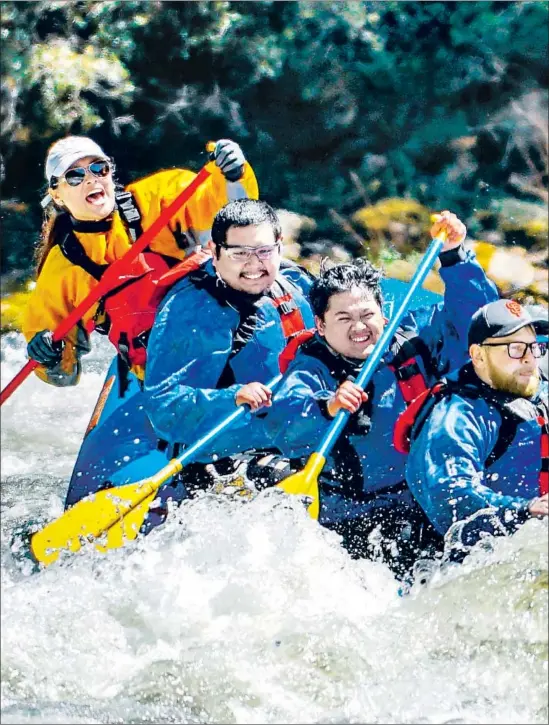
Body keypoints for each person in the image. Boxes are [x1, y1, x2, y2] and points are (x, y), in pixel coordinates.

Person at [254, 212, 499, 579]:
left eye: (367, 314)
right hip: (354, 518)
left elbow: (476, 324)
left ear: (383, 314)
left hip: (424, 500)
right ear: (320, 325)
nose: (359, 328)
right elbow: (284, 422)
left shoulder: (412, 343)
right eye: (343, 318)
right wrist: (328, 405)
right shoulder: (312, 367)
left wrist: (454, 256)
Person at [136, 198, 315, 532]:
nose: (254, 264)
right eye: (239, 253)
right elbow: (164, 407)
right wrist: (232, 397)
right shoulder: (192, 311)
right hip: (226, 460)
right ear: (215, 253)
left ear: (278, 248)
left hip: (302, 433)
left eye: (263, 251)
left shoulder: (293, 282)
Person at [22, 135, 258, 386]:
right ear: (57, 195)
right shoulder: (63, 266)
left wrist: (234, 174)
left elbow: (231, 211)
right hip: (163, 371)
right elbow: (62, 373)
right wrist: (46, 355)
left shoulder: (157, 197)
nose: (91, 178)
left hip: (229, 330)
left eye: (98, 168)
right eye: (75, 176)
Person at [404, 298, 548, 561]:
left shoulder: (537, 391)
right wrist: (525, 511)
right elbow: (448, 494)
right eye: (515, 349)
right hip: (462, 563)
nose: (529, 359)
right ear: (478, 356)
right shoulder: (456, 418)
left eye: (534, 347)